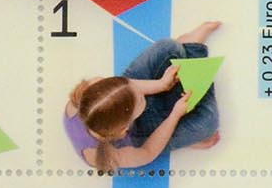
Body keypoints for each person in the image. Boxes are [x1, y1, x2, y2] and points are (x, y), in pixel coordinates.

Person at [65, 26, 223, 174]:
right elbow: (148, 152)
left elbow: (131, 84)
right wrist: (175, 116)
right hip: (141, 134)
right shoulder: (108, 155)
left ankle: (191, 53)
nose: (141, 94)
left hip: (123, 105)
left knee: (168, 47)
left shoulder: (89, 90)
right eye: (140, 100)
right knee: (208, 122)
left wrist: (161, 84)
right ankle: (192, 51)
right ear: (123, 130)